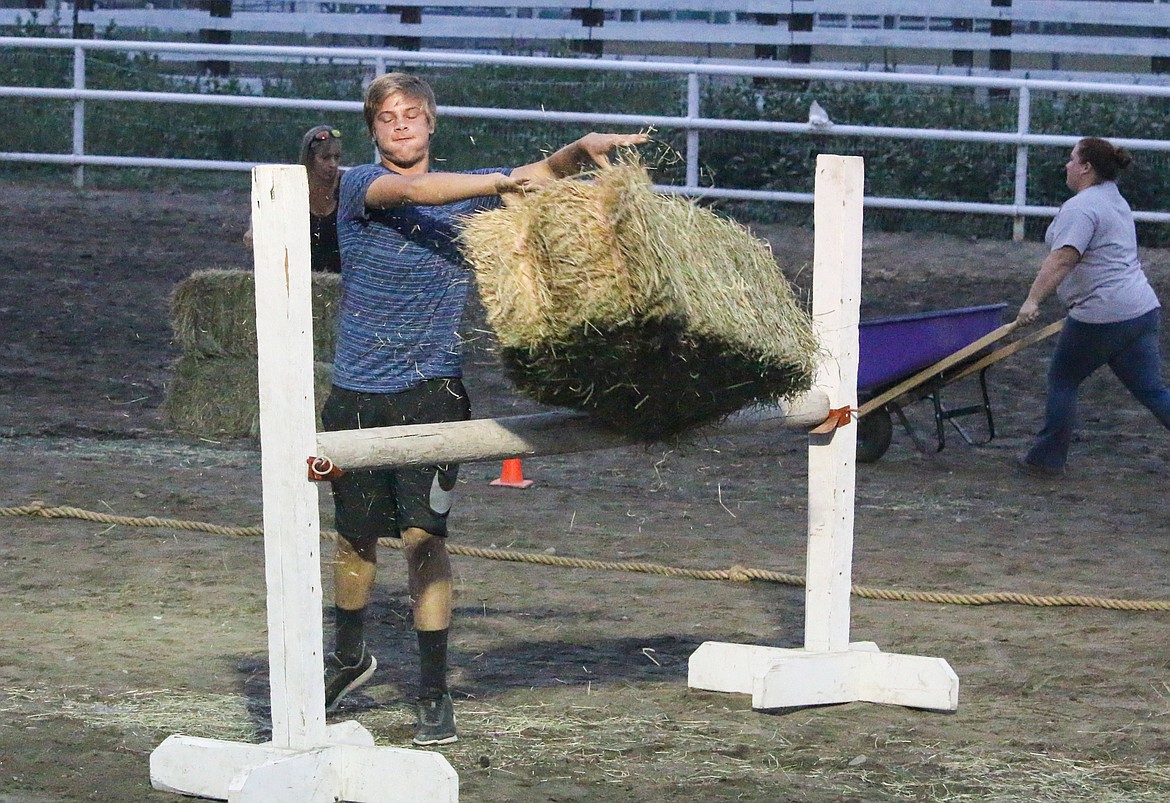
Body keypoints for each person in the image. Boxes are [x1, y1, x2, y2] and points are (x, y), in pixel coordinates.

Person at [320, 71, 647, 746]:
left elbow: (536, 173)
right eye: (388, 117)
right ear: (374, 129)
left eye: (412, 114)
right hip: (356, 390)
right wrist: (499, 183)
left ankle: (433, 691)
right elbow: (414, 190)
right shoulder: (359, 185)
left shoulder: (471, 192)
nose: (402, 124)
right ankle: (348, 657)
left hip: (432, 390)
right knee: (355, 540)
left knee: (424, 543)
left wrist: (576, 152)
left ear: (432, 123)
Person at [1015, 136, 1170, 476]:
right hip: (1141, 309)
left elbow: (1062, 259)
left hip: (1102, 313)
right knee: (1153, 391)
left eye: (1072, 160)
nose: (1067, 166)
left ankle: (1045, 460)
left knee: (1063, 380)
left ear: (1086, 167)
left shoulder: (1082, 207)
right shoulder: (1113, 198)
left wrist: (1032, 301)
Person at [244, 124, 344, 273]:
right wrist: (254, 229)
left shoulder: (345, 185)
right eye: (325, 158)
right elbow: (262, 205)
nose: (333, 164)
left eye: (336, 157)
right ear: (310, 160)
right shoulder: (292, 184)